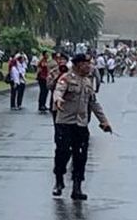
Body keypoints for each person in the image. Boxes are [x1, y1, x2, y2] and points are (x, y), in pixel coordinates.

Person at [51, 53, 112, 201]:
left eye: (90, 63)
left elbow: (93, 103)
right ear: (78, 65)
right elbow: (58, 91)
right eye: (86, 63)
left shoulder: (87, 82)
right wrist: (58, 99)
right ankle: (59, 180)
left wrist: (104, 121)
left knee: (80, 156)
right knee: (63, 152)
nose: (89, 66)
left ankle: (77, 187)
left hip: (81, 124)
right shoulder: (66, 78)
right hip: (65, 123)